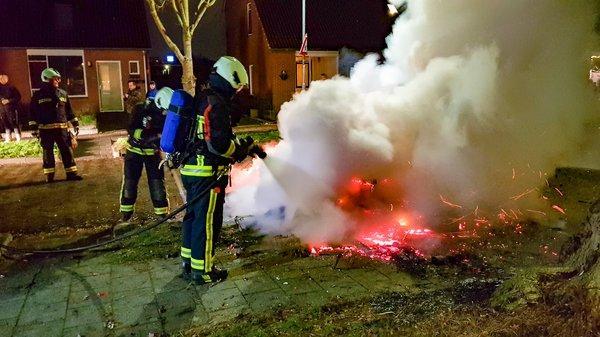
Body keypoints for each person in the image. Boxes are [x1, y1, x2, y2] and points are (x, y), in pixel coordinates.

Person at [180, 56, 254, 284]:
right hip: (207, 175)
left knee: (192, 218)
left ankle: (189, 264)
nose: (237, 91)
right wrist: (239, 151)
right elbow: (220, 145)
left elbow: (210, 135)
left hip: (192, 170)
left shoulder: (203, 98)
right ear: (227, 80)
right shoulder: (218, 104)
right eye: (236, 86)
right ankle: (203, 272)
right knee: (208, 221)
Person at [119, 88, 170, 222]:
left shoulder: (164, 113)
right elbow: (131, 129)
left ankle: (162, 214)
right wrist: (149, 136)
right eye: (163, 110)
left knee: (157, 183)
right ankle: (126, 214)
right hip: (134, 152)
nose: (164, 113)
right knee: (130, 182)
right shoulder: (140, 109)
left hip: (152, 153)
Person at [29, 68, 82, 182]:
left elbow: (69, 111)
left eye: (58, 78)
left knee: (67, 151)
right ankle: (49, 176)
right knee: (48, 153)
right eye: (55, 79)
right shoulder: (38, 96)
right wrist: (34, 128)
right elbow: (32, 113)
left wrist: (75, 123)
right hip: (45, 130)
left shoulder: (63, 93)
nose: (58, 80)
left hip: (62, 129)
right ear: (47, 79)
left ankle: (71, 174)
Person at [0, 74, 21, 142]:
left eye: (2, 78)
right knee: (5, 123)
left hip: (11, 109)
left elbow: (18, 97)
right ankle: (8, 138)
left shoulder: (12, 87)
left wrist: (8, 101)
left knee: (13, 122)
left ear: (6, 79)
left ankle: (18, 137)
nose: (1, 80)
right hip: (2, 109)